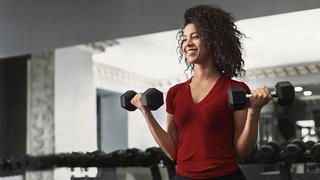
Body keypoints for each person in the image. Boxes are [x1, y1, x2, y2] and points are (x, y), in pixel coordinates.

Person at [130, 4, 272, 180]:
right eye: (184, 39)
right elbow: (172, 151)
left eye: (195, 37)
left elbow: (242, 152)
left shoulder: (235, 90)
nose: (187, 43)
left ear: (214, 40)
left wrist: (254, 111)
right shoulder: (175, 93)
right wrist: (147, 114)